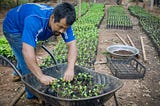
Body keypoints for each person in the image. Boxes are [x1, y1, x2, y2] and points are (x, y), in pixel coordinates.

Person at [2, 2, 77, 99]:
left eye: (65, 28)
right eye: (60, 27)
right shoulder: (35, 21)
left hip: (27, 23)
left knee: (27, 53)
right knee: (26, 60)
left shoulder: (64, 21)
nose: (62, 31)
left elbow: (72, 45)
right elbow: (27, 51)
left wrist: (70, 69)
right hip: (14, 28)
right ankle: (32, 95)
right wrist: (41, 76)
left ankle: (17, 73)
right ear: (52, 18)